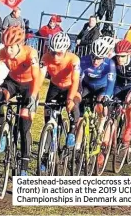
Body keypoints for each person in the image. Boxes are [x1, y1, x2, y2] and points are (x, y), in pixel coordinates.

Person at [0, 26, 40, 176]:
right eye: (6, 47)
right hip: (12, 82)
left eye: (12, 48)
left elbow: (37, 77)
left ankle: (24, 166)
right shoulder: (1, 53)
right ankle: (4, 133)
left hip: (29, 85)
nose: (8, 51)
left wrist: (33, 96)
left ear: (20, 44)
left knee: (24, 125)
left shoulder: (30, 53)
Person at [38, 32, 80, 171]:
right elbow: (39, 77)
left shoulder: (74, 60)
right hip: (55, 86)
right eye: (53, 52)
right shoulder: (45, 57)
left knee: (72, 106)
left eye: (59, 53)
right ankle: (46, 152)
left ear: (66, 51)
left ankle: (72, 131)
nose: (55, 56)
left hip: (70, 87)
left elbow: (75, 81)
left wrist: (70, 99)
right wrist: (34, 94)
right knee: (48, 114)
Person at [75, 38, 116, 152]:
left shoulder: (110, 64)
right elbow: (78, 80)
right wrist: (77, 93)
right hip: (87, 86)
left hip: (102, 88)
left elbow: (111, 83)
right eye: (94, 57)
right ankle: (77, 147)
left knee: (100, 102)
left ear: (104, 57)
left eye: (99, 58)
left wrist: (107, 97)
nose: (95, 61)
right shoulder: (84, 60)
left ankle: (101, 125)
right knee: (80, 118)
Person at [111, 40, 131, 150]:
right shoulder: (113, 61)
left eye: (123, 56)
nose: (119, 59)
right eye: (118, 56)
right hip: (119, 86)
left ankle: (129, 127)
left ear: (129, 54)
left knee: (130, 101)